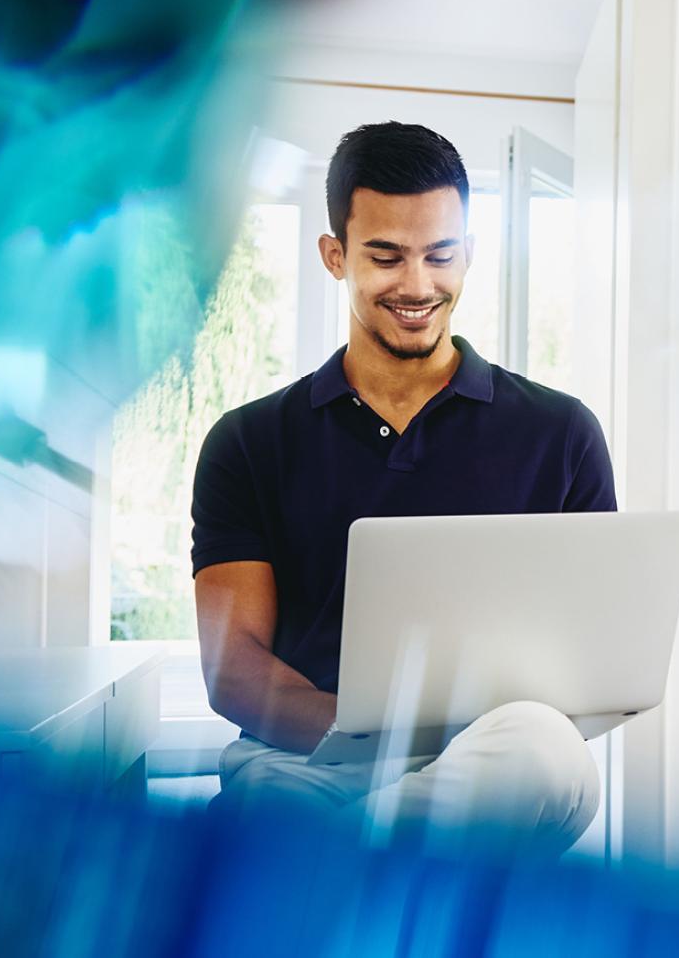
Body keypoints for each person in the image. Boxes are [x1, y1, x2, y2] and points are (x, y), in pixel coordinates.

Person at [191, 121, 616, 856]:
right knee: (268, 806)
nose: (417, 285)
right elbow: (234, 670)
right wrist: (371, 743)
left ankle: (326, 870)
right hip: (305, 762)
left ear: (469, 254)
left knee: (543, 748)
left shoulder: (562, 432)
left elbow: (592, 661)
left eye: (440, 255)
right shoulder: (247, 440)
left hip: (494, 761)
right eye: (385, 257)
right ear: (334, 256)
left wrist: (449, 745)